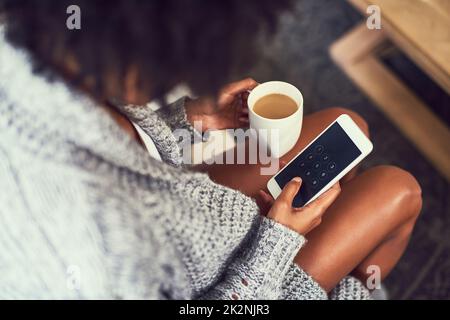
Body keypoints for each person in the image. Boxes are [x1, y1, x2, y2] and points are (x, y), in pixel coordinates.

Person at [0, 0, 421, 299]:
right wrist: (277, 244)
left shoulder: (34, 45)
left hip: (198, 216)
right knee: (399, 189)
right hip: (247, 284)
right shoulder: (89, 251)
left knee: (347, 126)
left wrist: (190, 121)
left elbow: (129, 152)